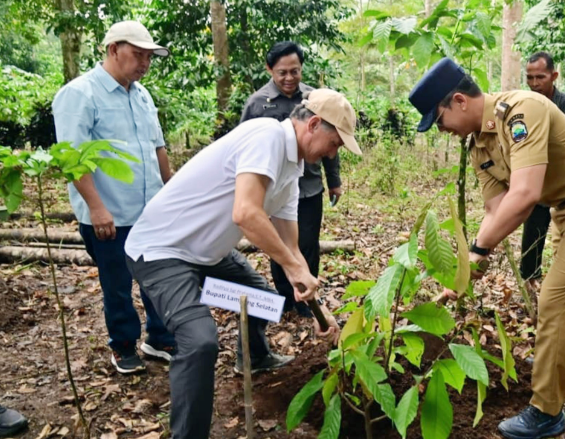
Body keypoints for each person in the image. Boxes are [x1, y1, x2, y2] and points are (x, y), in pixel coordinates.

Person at [409, 58, 565, 439]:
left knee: (556, 300)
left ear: (459, 101)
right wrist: (469, 267)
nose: (442, 130)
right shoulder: (479, 145)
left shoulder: (521, 110)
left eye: (440, 119)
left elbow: (525, 195)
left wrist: (479, 250)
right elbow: (496, 210)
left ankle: (547, 412)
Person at [124, 88, 358, 439]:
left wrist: (314, 300)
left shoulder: (292, 169)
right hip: (161, 251)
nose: (333, 153)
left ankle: (255, 357)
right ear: (313, 124)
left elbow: (290, 244)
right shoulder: (266, 137)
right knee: (200, 342)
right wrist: (293, 269)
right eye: (335, 143)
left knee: (264, 301)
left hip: (207, 255)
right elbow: (246, 214)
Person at [52, 20, 176, 374]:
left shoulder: (142, 94)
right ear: (113, 50)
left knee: (156, 277)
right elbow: (72, 158)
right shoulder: (81, 94)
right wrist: (96, 207)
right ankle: (123, 345)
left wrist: (170, 193)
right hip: (109, 213)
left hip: (149, 209)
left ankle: (159, 336)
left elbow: (158, 146)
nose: (144, 64)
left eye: (149, 57)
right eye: (138, 55)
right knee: (118, 284)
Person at [241, 41, 343, 319]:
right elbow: (243, 146)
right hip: (272, 190)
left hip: (307, 186)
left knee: (306, 243)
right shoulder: (257, 103)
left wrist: (334, 180)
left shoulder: (315, 100)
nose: (289, 78)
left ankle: (306, 299)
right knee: (278, 243)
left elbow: (332, 145)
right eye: (282, 72)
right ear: (270, 70)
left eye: (294, 71)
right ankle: (286, 298)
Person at [521, 51, 565, 299]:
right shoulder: (526, 108)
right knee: (532, 238)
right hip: (540, 186)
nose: (534, 83)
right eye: (529, 78)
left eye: (540, 77)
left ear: (554, 76)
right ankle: (530, 287)